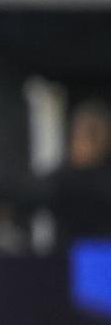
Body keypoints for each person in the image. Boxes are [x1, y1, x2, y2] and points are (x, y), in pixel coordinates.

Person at [47, 98, 111, 242]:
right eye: (78, 135)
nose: (82, 143)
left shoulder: (103, 179)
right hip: (70, 255)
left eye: (92, 135)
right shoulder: (62, 177)